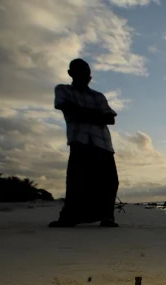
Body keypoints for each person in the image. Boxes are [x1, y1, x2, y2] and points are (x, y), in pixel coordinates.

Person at [49, 58, 120, 227]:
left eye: (87, 72)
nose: (85, 75)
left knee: (109, 182)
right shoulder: (63, 90)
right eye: (81, 71)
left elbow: (110, 119)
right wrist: (96, 115)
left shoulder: (98, 96)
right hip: (79, 141)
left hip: (103, 144)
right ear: (70, 73)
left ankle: (107, 216)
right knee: (76, 180)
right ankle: (69, 216)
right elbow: (69, 111)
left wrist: (82, 112)